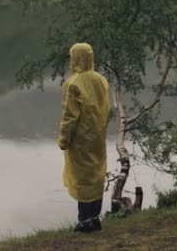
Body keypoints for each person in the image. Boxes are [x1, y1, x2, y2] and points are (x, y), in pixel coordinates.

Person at [57, 43, 110, 233]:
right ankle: (95, 218)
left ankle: (85, 221)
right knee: (96, 176)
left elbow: (70, 116)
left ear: (75, 59)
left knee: (82, 179)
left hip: (80, 139)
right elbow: (106, 108)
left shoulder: (73, 84)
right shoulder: (101, 80)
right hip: (98, 136)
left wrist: (63, 139)